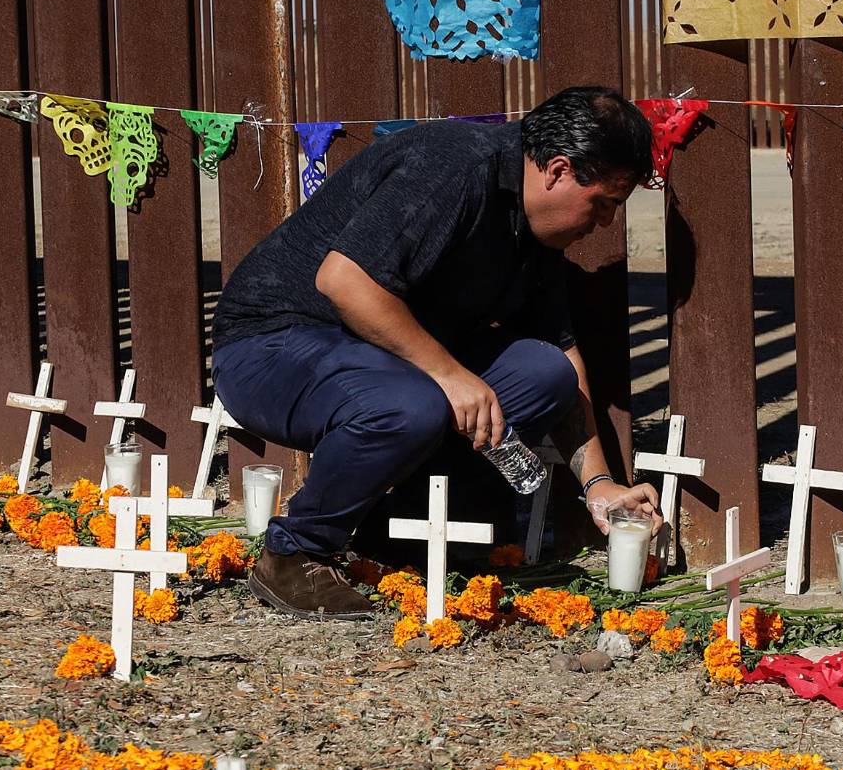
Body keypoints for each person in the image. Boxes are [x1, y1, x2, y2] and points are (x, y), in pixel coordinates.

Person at [211, 86, 662, 619]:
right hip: (272, 346)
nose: (605, 223)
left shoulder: (534, 230)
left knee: (542, 374)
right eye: (604, 204)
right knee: (411, 403)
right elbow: (344, 281)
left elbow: (564, 357)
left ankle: (392, 531)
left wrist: (600, 483)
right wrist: (449, 373)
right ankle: (297, 551)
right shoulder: (455, 165)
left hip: (384, 361)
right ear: (558, 170)